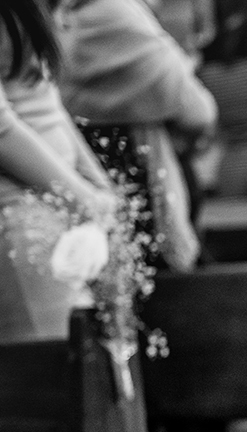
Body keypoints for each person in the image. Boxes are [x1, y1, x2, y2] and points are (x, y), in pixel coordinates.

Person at [57, 0, 219, 272]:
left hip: (73, 174)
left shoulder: (56, 15)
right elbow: (198, 112)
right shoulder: (112, 12)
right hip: (140, 173)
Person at [0, 0, 116, 343]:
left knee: (80, 359)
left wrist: (97, 186)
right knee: (47, 366)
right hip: (16, 219)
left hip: (54, 212)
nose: (67, 21)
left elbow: (48, 106)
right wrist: (83, 199)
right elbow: (2, 130)